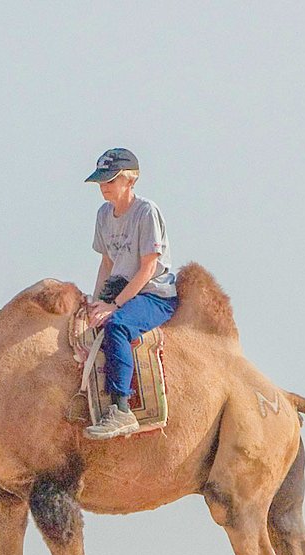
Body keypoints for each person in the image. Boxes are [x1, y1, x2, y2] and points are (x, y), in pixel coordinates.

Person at [82, 148, 180, 440]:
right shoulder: (103, 214)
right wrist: (95, 300)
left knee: (118, 326)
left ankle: (122, 409)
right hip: (121, 289)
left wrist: (114, 307)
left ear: (130, 180)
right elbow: (107, 263)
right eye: (102, 180)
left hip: (154, 294)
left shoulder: (146, 212)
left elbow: (148, 269)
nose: (104, 186)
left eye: (110, 180)